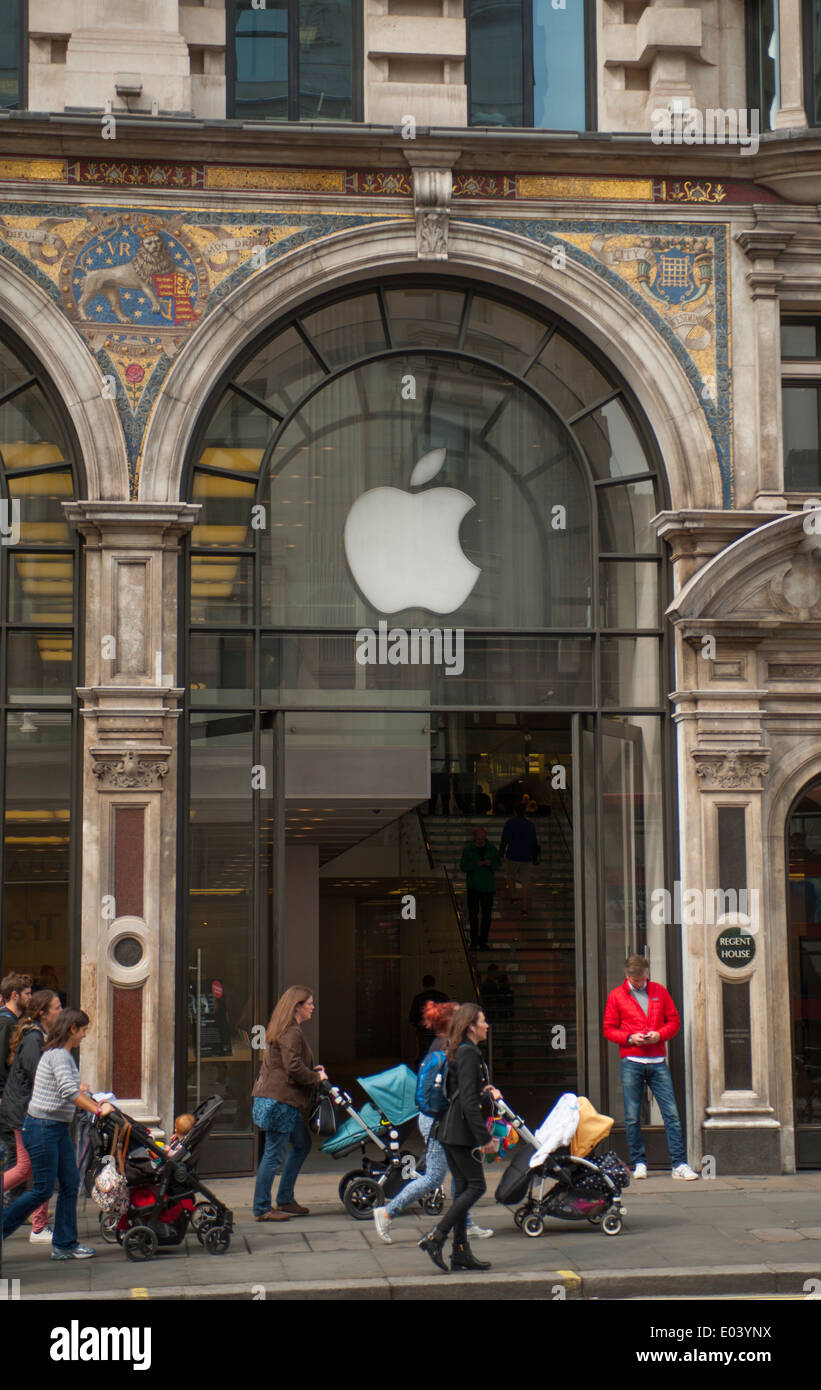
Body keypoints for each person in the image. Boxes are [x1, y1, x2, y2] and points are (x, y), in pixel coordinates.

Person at [372, 1001, 493, 1244]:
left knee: (460, 1177)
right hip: (443, 1122)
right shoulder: (452, 1047)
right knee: (435, 1177)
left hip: (441, 1120)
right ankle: (387, 1212)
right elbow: (460, 1094)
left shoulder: (442, 1045)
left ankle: (465, 1223)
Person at [2, 1008, 115, 1259]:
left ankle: (64, 1244)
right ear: (72, 1029)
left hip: (54, 1127)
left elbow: (67, 1088)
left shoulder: (59, 1055)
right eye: (84, 1030)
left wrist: (84, 1092)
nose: (85, 1035)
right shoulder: (60, 1056)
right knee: (42, 1189)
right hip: (43, 1127)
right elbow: (68, 1093)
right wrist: (98, 1109)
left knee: (70, 1183)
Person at [418, 1002, 501, 1273]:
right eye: (483, 1021)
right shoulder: (468, 1054)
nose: (487, 1025)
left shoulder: (460, 1051)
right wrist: (484, 1137)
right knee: (477, 1187)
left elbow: (463, 1092)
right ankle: (436, 1237)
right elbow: (466, 1100)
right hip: (459, 1132)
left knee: (465, 1189)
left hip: (451, 1130)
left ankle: (460, 1252)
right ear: (471, 1027)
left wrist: (483, 1091)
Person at [603, 954, 699, 1181]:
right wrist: (629, 1038)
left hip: (657, 1061)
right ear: (627, 976)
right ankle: (639, 1162)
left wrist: (659, 1034)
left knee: (672, 1115)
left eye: (641, 978)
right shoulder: (617, 995)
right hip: (632, 1061)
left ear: (647, 973)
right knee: (632, 1116)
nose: (638, 983)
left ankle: (679, 1164)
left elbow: (673, 1021)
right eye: (634, 979)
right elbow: (608, 1028)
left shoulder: (659, 991)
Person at [251, 985, 326, 1222]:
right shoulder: (291, 1032)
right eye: (310, 1003)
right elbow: (292, 1067)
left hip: (280, 1100)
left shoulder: (284, 1029)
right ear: (298, 1007)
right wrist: (316, 1078)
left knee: (302, 1144)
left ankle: (285, 1199)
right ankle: (262, 1208)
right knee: (273, 1154)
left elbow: (290, 1064)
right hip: (280, 1101)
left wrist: (311, 1070)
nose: (313, 1007)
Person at [0, 989, 62, 1241]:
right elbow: (39, 1076)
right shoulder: (34, 1039)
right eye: (57, 1007)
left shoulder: (36, 1036)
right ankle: (38, 1226)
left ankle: (39, 1224)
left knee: (33, 1168)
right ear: (42, 1013)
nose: (60, 1011)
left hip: (24, 1111)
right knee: (30, 1167)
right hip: (25, 1113)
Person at [460, 827, 501, 951]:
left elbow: (497, 864)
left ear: (485, 837)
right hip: (474, 887)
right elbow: (463, 867)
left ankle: (483, 941)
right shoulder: (468, 850)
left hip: (487, 887)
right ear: (474, 838)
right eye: (478, 839)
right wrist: (475, 864)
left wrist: (490, 864)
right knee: (473, 915)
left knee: (486, 916)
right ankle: (474, 940)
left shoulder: (492, 849)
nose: (480, 841)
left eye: (482, 839)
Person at [499, 803, 540, 916]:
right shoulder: (530, 825)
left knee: (510, 875)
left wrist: (501, 854)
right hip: (527, 856)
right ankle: (524, 908)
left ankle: (514, 896)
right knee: (525, 882)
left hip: (512, 855)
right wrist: (535, 856)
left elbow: (504, 840)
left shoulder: (510, 823)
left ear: (515, 811)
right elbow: (534, 842)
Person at [408, 975, 448, 1064]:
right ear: (434, 983)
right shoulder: (443, 997)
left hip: (424, 1032)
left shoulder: (419, 998)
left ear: (423, 985)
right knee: (440, 1056)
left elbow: (413, 1017)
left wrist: (418, 1026)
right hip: (439, 1032)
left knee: (425, 1056)